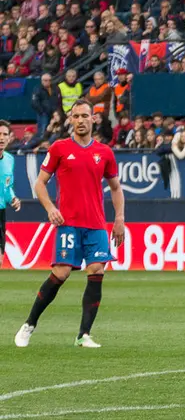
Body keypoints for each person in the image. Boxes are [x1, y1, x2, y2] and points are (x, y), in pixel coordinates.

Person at [14, 100, 125, 349]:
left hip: (96, 224)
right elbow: (40, 184)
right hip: (69, 223)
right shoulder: (59, 148)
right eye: (76, 116)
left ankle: (83, 335)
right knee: (61, 273)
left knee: (97, 270)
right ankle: (30, 324)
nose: (81, 120)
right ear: (71, 120)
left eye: (86, 116)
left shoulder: (105, 152)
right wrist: (51, 208)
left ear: (93, 119)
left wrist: (119, 218)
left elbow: (116, 188)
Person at [0, 121, 21, 267]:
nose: (1, 138)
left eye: (5, 134)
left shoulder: (9, 159)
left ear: (9, 137)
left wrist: (13, 198)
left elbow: (8, 186)